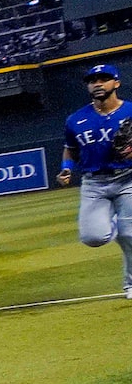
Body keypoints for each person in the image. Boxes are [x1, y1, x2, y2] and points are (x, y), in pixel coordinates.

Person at [55, 63, 131, 298]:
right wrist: (66, 169)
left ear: (116, 83)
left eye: (104, 79)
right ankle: (119, 223)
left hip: (128, 178)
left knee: (131, 234)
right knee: (93, 237)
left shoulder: (130, 111)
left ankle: (131, 284)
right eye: (92, 80)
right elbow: (70, 149)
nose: (97, 83)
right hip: (93, 184)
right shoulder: (75, 120)